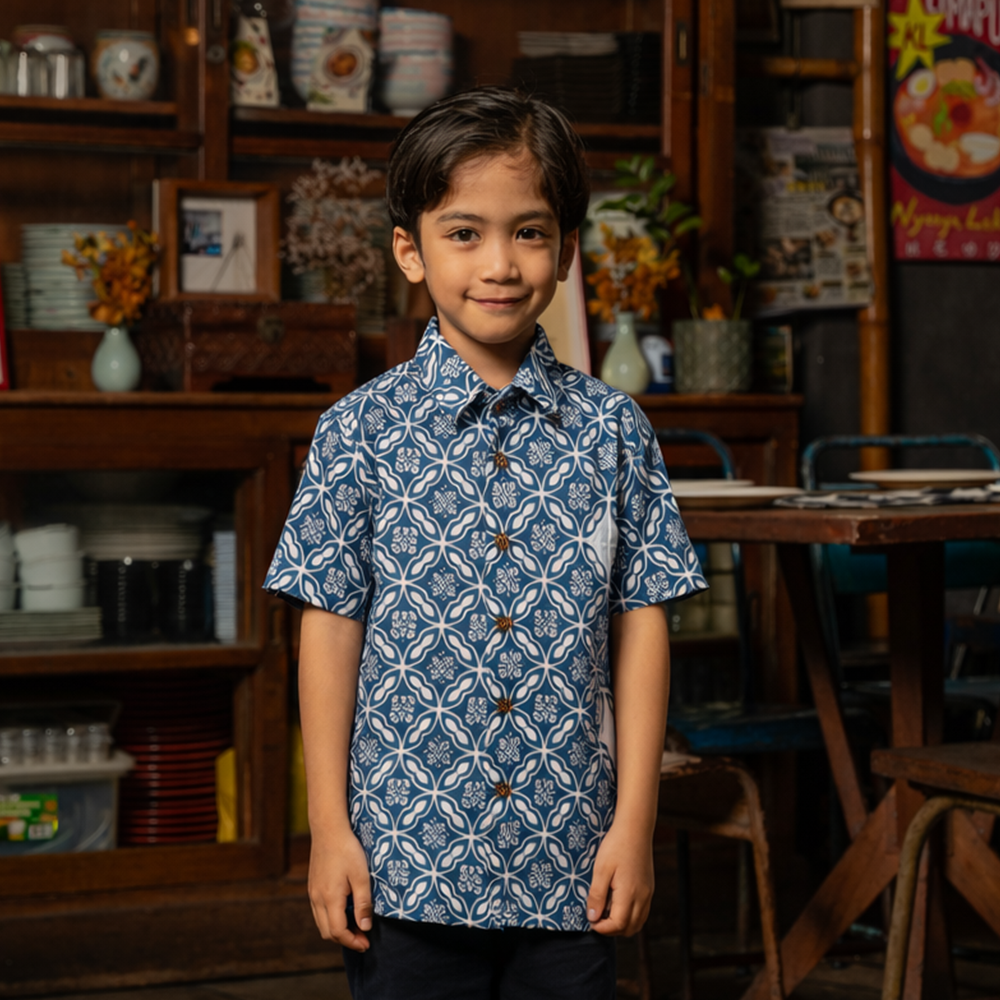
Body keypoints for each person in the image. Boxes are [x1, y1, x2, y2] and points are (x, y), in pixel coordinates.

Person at [264, 87, 708, 1000]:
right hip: (404, 860)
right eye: (464, 233)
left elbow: (642, 629)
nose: (500, 264)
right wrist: (330, 830)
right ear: (410, 251)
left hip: (571, 858)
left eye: (530, 232)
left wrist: (634, 826)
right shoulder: (359, 431)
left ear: (568, 249)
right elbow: (330, 631)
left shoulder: (615, 431)